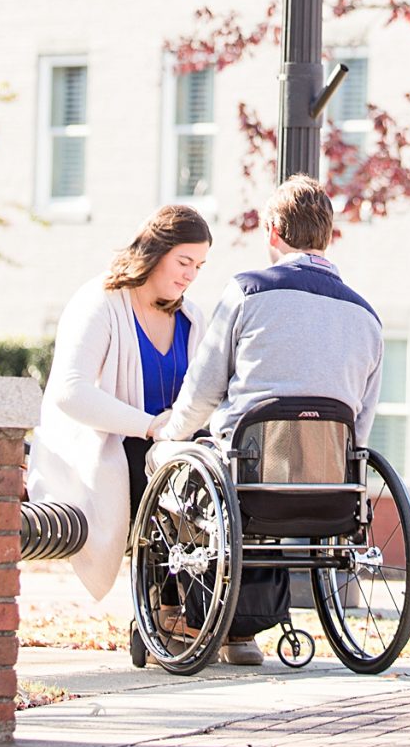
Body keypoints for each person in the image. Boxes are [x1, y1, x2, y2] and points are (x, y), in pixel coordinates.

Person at [153, 174, 384, 666]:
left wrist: (169, 436)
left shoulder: (247, 291)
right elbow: (360, 426)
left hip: (249, 475)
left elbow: (203, 391)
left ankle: (178, 616)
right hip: (327, 486)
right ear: (327, 235)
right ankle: (240, 634)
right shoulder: (367, 317)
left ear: (274, 230)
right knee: (255, 478)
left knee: (171, 466)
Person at [27, 203, 211, 603]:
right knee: (170, 478)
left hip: (174, 447)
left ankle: (231, 621)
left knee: (221, 475)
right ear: (156, 250)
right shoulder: (101, 302)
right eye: (183, 261)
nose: (190, 275)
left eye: (199, 266)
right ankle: (168, 606)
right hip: (106, 445)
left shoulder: (192, 319)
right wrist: (149, 425)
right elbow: (69, 391)